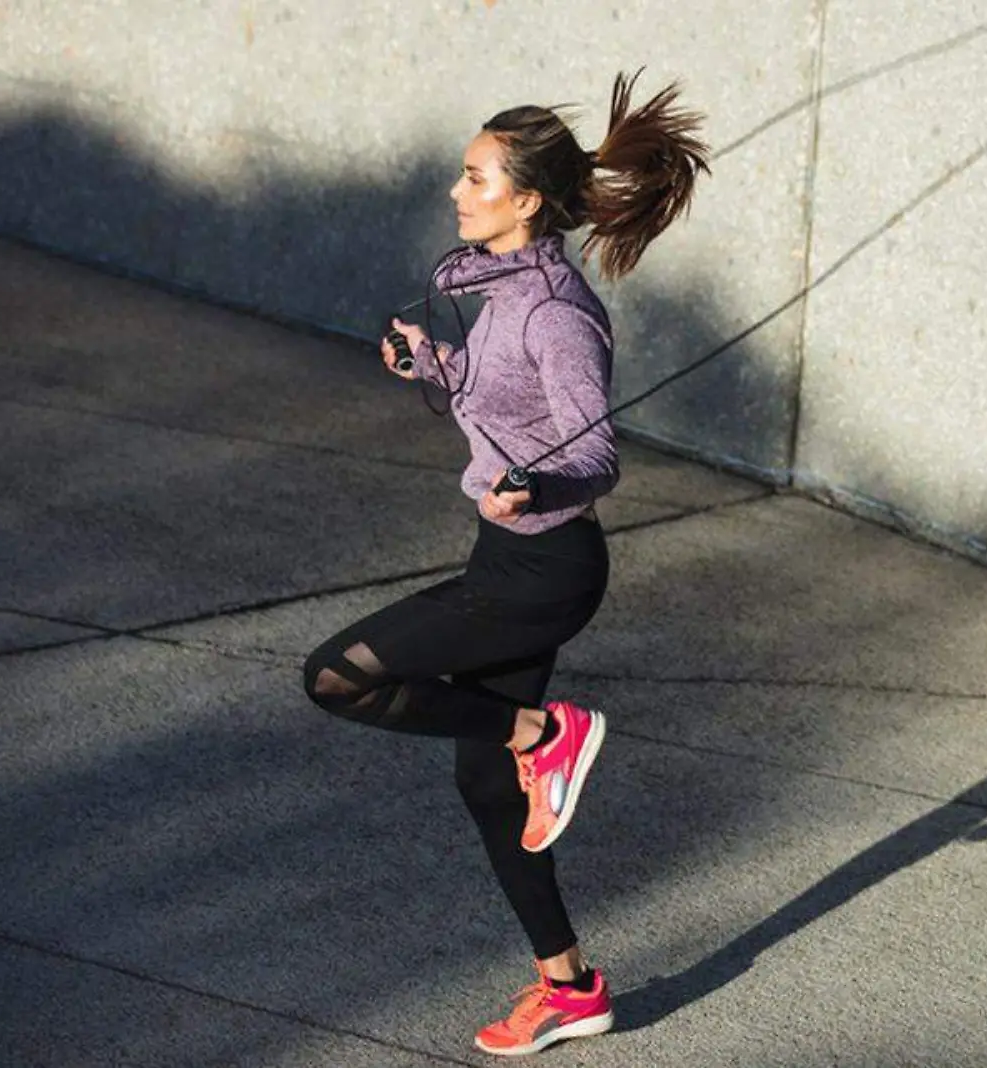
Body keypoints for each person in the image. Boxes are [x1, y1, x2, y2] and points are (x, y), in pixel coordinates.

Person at [301, 72, 708, 1057]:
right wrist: (431, 366)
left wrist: (538, 484)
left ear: (524, 201)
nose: (455, 189)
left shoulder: (557, 314)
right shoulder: (501, 292)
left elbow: (592, 451)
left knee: (337, 675)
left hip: (542, 570)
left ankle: (545, 730)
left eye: (474, 176)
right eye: (461, 171)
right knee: (486, 793)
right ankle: (570, 989)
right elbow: (503, 396)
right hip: (512, 557)